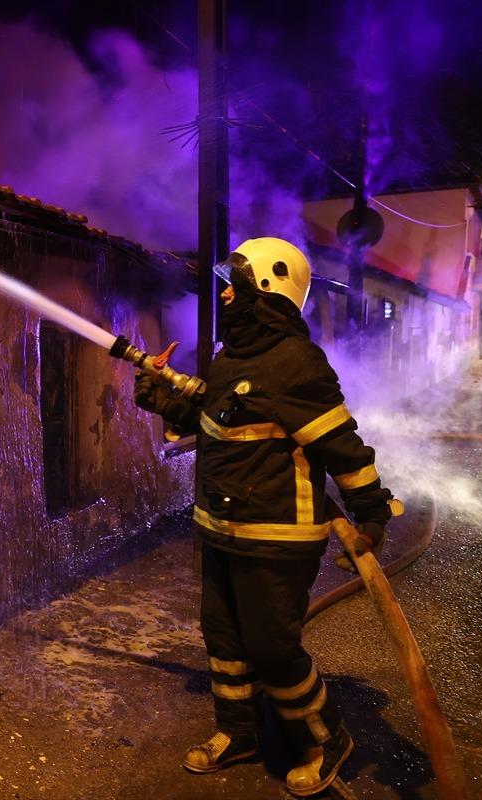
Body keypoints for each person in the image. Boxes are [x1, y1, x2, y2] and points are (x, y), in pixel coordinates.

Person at [133, 237, 395, 797]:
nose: (225, 293)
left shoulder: (296, 362)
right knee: (224, 641)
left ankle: (326, 739)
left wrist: (372, 515)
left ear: (268, 290)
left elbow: (341, 447)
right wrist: (159, 395)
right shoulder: (232, 360)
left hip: (279, 535)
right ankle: (240, 733)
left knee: (274, 649)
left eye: (237, 285)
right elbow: (216, 423)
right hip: (220, 529)